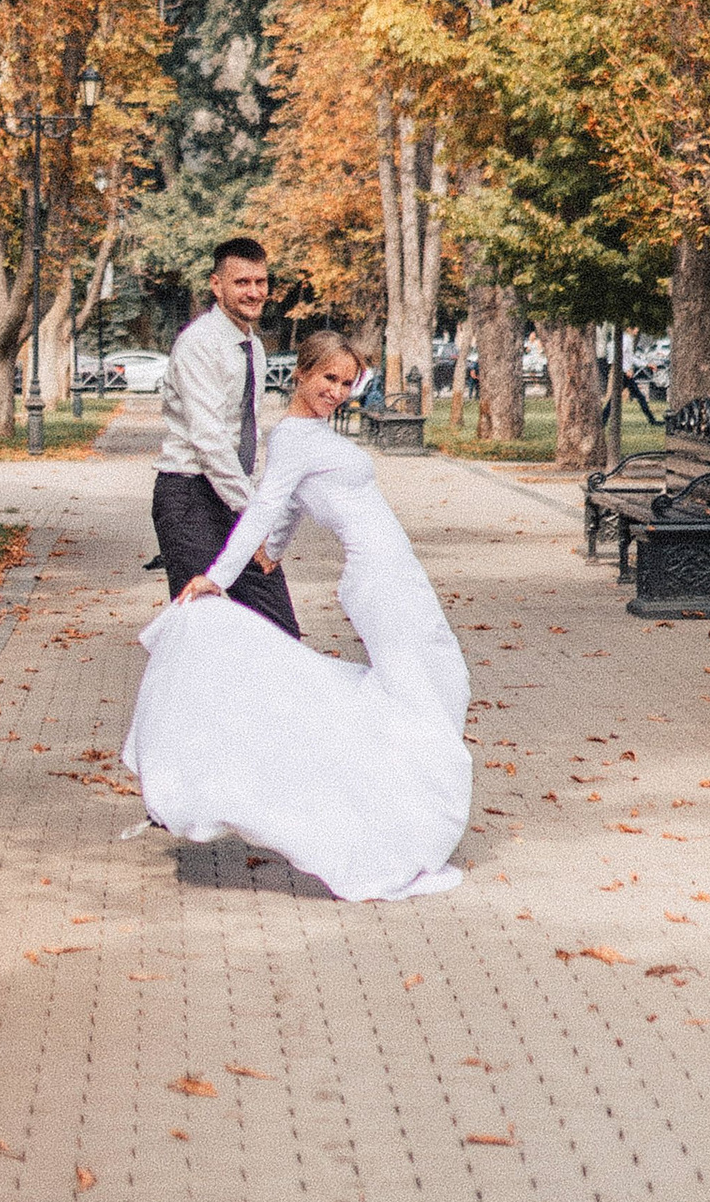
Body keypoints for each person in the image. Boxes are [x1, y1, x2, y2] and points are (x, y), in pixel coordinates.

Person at [124, 325, 473, 901]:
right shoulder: (292, 436)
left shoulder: (308, 435)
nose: (337, 391)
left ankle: (398, 813)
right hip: (380, 580)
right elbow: (262, 508)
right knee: (425, 691)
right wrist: (219, 576)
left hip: (399, 576)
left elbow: (283, 515)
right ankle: (393, 829)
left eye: (347, 383)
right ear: (302, 373)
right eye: (328, 379)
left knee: (438, 684)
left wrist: (272, 555)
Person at [152, 234, 297, 640]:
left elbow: (247, 432)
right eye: (242, 283)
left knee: (279, 629)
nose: (254, 292)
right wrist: (255, 516)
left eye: (260, 282)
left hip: (233, 494)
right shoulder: (199, 344)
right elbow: (211, 441)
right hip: (189, 498)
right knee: (201, 629)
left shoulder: (252, 345)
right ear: (217, 285)